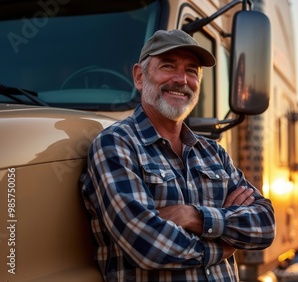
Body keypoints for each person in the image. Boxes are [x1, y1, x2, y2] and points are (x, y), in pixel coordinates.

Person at [80, 29, 276, 281]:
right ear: (140, 77)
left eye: (192, 70)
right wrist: (223, 245)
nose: (182, 79)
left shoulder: (213, 153)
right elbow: (148, 245)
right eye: (168, 66)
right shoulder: (115, 145)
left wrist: (194, 217)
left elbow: (265, 224)